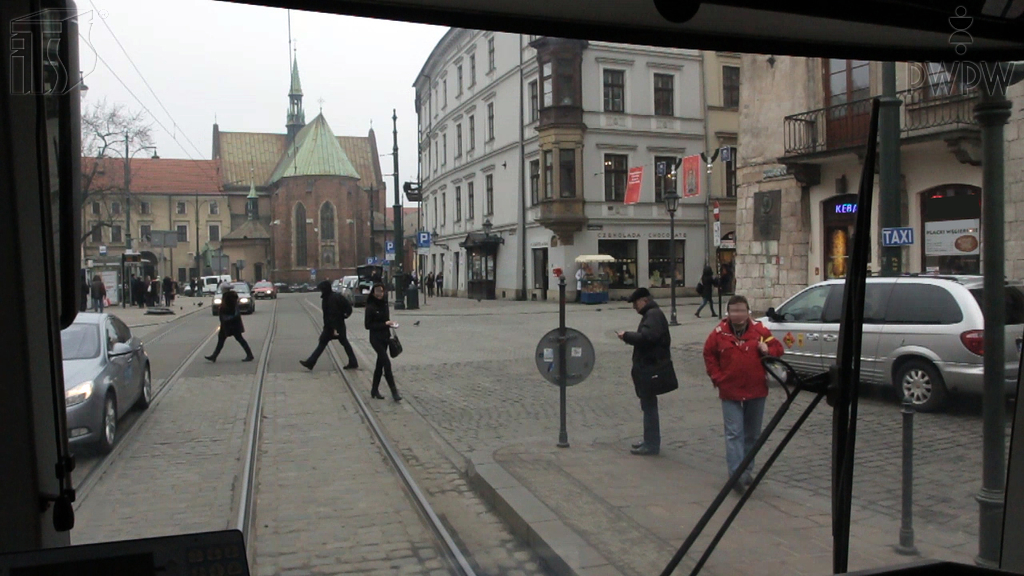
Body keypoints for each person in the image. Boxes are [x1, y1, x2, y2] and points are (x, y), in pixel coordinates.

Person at [702, 295, 784, 493]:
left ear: (748, 312)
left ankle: (746, 471)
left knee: (752, 435)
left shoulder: (759, 330)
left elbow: (778, 348)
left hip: (756, 390)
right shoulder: (719, 333)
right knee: (734, 433)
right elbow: (708, 354)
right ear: (728, 313)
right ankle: (736, 475)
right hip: (730, 391)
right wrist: (717, 378)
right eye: (734, 311)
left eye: (741, 310)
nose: (738, 314)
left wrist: (767, 348)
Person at [616, 287, 671, 456]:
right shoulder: (652, 314)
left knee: (649, 406)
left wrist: (626, 336)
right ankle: (649, 440)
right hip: (649, 366)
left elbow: (648, 337)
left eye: (635, 303)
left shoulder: (653, 315)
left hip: (651, 367)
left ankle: (652, 443)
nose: (634, 306)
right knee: (647, 405)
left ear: (644, 301)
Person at [301, 280, 358, 370]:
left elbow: (333, 314)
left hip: (333, 327)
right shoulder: (333, 297)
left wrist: (335, 327)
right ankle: (353, 361)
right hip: (336, 326)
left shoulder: (331, 299)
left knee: (324, 343)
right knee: (342, 343)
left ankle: (311, 362)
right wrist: (345, 316)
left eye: (322, 290)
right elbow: (348, 308)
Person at [364, 283, 401, 401]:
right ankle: (394, 392)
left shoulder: (385, 305)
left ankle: (374, 390)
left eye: (382, 291)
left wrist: (391, 323)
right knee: (386, 363)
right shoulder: (370, 307)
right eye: (377, 291)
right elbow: (368, 325)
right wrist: (384, 324)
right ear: (374, 293)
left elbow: (386, 320)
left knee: (379, 365)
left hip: (385, 337)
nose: (380, 294)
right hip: (376, 339)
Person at [205, 289, 254, 362]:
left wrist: (225, 317)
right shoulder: (229, 297)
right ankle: (214, 356)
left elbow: (233, 313)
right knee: (221, 339)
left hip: (232, 325)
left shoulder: (230, 298)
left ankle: (250, 355)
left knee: (239, 339)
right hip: (228, 324)